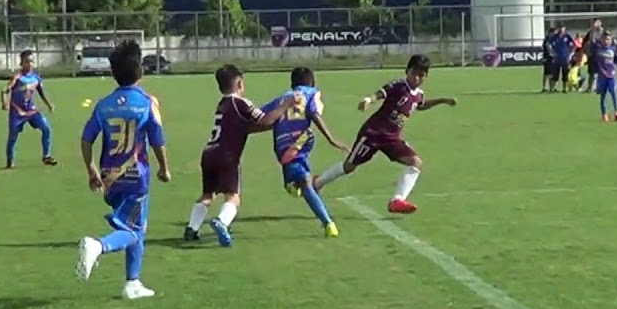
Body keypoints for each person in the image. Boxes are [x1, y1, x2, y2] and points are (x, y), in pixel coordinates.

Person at [76, 40, 171, 300]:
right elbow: (157, 139)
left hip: (109, 176)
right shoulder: (147, 102)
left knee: (135, 223)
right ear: (140, 71)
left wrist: (91, 171)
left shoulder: (103, 104)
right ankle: (98, 246)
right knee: (134, 230)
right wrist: (164, 168)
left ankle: (132, 283)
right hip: (136, 175)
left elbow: (86, 139)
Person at [313, 54, 456, 213]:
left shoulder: (418, 94)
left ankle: (397, 201)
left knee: (415, 162)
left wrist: (442, 100)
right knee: (349, 166)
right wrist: (368, 100)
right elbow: (381, 93)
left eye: (421, 75)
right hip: (373, 133)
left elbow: (420, 105)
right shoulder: (399, 85)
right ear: (407, 71)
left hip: (392, 138)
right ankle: (318, 182)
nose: (416, 78)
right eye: (414, 73)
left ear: (426, 76)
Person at [184, 64, 297, 247]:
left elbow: (249, 127)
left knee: (207, 194)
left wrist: (274, 123)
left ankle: (192, 229)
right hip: (227, 156)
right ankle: (222, 221)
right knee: (233, 196)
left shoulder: (223, 104)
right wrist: (286, 104)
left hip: (209, 153)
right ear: (239, 84)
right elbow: (265, 119)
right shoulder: (241, 103)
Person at [260, 66, 348, 237]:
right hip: (299, 141)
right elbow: (314, 113)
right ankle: (328, 222)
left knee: (302, 178)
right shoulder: (312, 93)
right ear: (312, 81)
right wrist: (331, 138)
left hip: (281, 144)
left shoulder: (281, 98)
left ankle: (295, 185)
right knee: (305, 182)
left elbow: (260, 116)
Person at [1, 50, 57, 167]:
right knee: (13, 136)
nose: (30, 64)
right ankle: (10, 161)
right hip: (17, 112)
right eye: (27, 61)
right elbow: (5, 90)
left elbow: (41, 93)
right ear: (21, 63)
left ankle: (46, 156)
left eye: (31, 61)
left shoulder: (36, 78)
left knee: (46, 129)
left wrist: (49, 104)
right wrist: (4, 103)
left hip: (31, 111)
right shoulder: (17, 77)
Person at [595, 32, 617, 121]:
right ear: (601, 40)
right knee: (603, 96)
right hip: (602, 77)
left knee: (613, 93)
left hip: (611, 76)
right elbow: (592, 39)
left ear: (611, 40)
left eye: (608, 39)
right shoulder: (598, 49)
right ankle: (604, 114)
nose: (606, 41)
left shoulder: (613, 50)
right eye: (604, 39)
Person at [550, 24, 575, 92]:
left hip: (565, 59)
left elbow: (573, 46)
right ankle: (552, 88)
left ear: (565, 29)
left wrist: (570, 55)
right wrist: (552, 53)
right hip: (557, 59)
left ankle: (564, 89)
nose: (561, 30)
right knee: (555, 74)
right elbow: (549, 45)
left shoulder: (567, 37)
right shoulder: (555, 37)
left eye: (562, 28)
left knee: (565, 74)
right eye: (560, 28)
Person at [584, 19, 606, 92]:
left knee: (601, 72)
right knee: (591, 73)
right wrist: (587, 52)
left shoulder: (603, 32)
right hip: (592, 55)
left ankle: (600, 87)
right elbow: (585, 42)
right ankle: (590, 88)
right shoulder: (591, 33)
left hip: (601, 55)